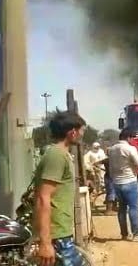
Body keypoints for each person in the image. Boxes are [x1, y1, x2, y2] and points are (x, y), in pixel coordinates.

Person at [33, 111, 88, 265]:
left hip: (60, 233)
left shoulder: (61, 154)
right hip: (56, 235)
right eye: (82, 130)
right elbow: (43, 198)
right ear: (73, 132)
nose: (83, 134)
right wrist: (45, 242)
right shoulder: (56, 155)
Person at [108, 127, 138, 242]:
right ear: (128, 137)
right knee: (133, 208)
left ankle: (124, 234)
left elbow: (111, 167)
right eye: (133, 138)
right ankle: (137, 234)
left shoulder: (112, 149)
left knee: (121, 209)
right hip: (129, 181)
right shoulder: (130, 149)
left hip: (117, 182)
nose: (133, 140)